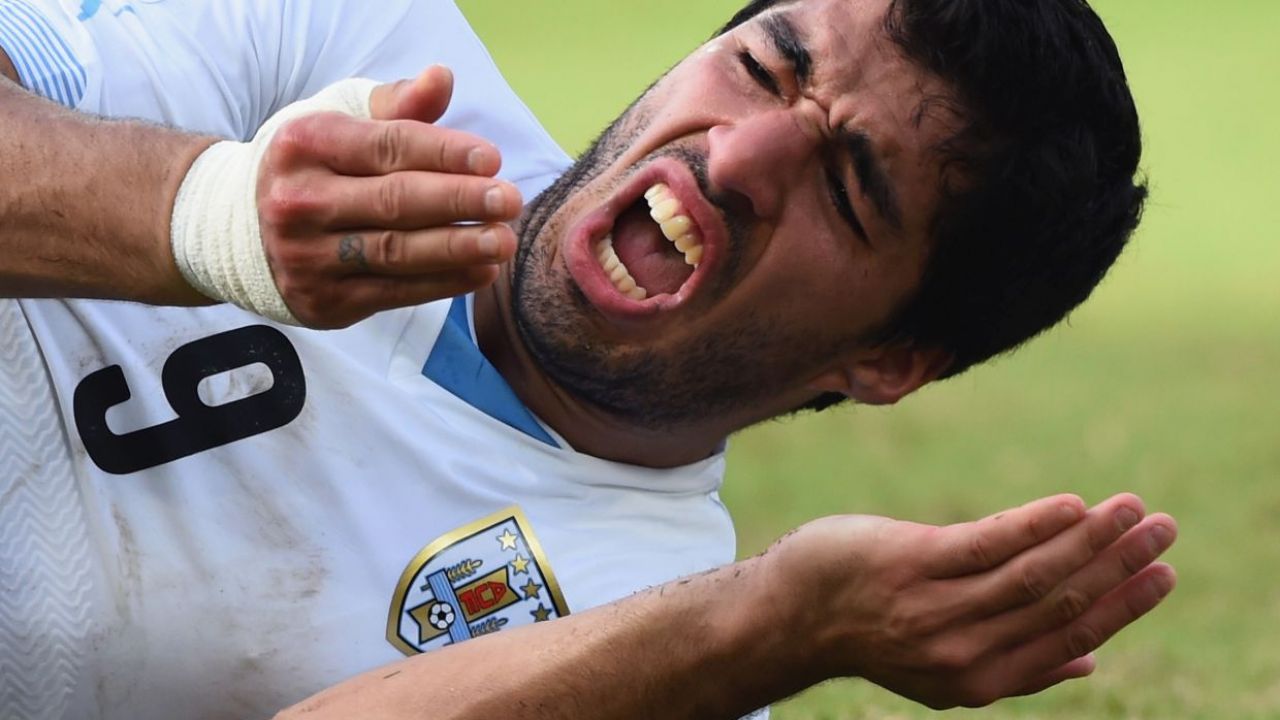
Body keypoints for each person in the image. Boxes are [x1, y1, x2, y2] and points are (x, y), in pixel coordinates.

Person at [0, 0, 1177, 718]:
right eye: (764, 65)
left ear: (889, 358)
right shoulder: (353, 51)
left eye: (846, 187)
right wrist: (207, 210)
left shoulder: (651, 632)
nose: (738, 154)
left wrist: (774, 622)